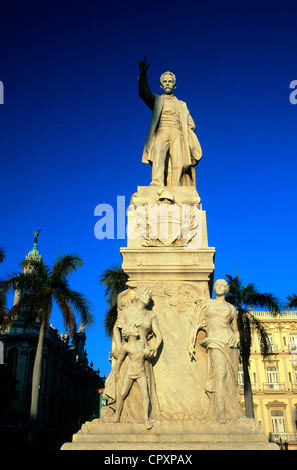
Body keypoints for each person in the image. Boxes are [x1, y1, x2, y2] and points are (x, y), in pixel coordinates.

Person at [138, 56, 202, 187]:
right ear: (161, 85)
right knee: (158, 157)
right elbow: (144, 93)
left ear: (175, 85)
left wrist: (188, 135)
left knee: (178, 160)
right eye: (165, 82)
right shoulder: (157, 99)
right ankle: (157, 183)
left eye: (170, 81)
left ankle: (176, 186)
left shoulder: (182, 105)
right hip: (161, 131)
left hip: (177, 133)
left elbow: (191, 124)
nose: (168, 83)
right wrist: (143, 76)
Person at [189, 279, 243, 422]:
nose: (219, 287)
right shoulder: (208, 304)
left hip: (229, 342)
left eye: (222, 285)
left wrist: (236, 340)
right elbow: (196, 316)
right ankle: (220, 413)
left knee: (228, 378)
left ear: (227, 289)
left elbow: (236, 331)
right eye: (217, 285)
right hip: (214, 341)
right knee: (220, 376)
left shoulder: (231, 308)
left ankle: (226, 411)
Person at [112, 324, 154, 429]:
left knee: (145, 394)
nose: (136, 330)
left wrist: (149, 352)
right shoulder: (126, 346)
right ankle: (117, 416)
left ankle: (146, 419)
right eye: (134, 328)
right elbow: (120, 361)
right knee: (122, 394)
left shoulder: (142, 343)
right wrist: (116, 373)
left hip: (141, 372)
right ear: (129, 333)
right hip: (130, 372)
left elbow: (147, 353)